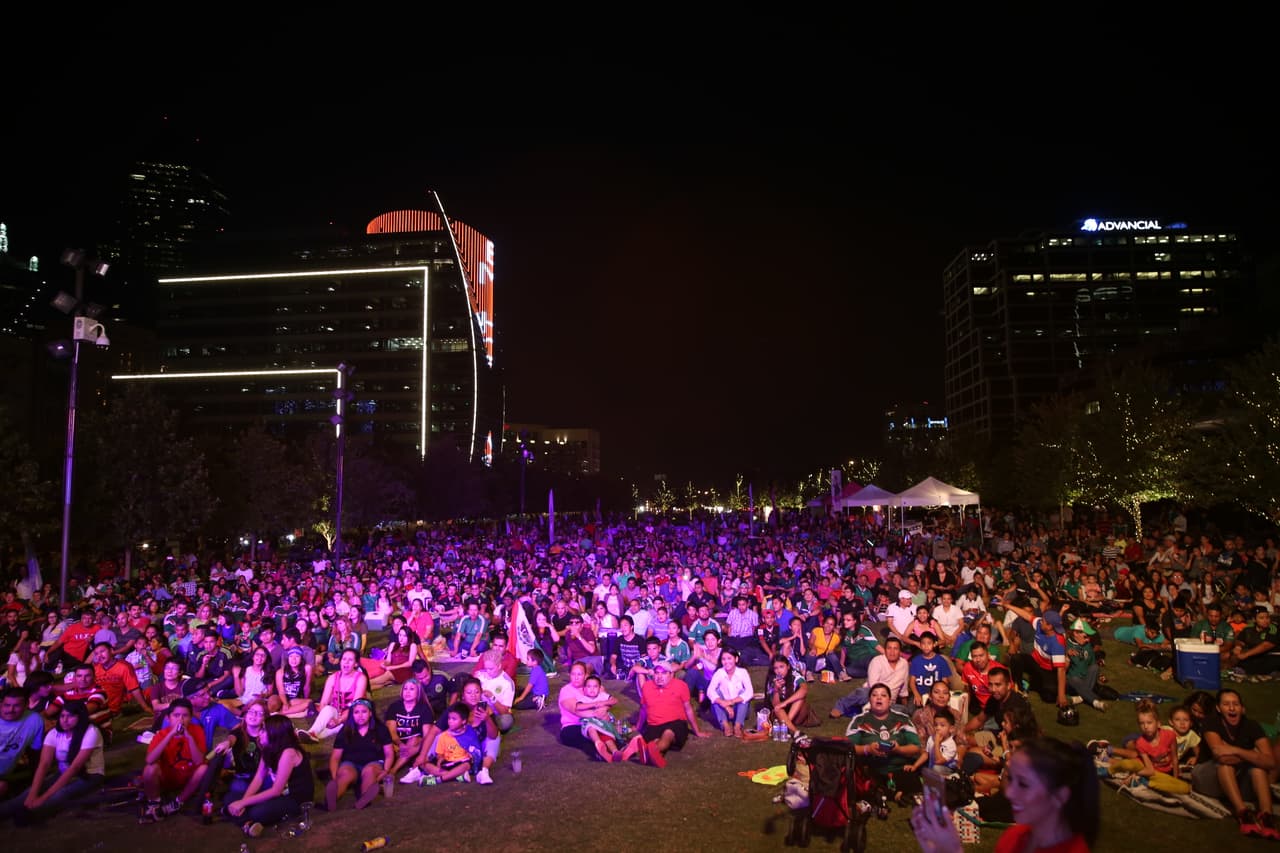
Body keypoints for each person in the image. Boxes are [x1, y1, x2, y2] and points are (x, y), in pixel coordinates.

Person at [911, 736, 1100, 853]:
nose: (1009, 793)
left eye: (1024, 784)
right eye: (1012, 780)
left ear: (1060, 796)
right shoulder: (1015, 837)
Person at [0, 700, 105, 826]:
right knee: (27, 794)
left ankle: (29, 814)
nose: (65, 720)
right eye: (62, 716)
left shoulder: (91, 732)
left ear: (80, 717)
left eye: (71, 716)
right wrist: (33, 794)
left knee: (60, 794)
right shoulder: (54, 733)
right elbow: (44, 764)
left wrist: (42, 798)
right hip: (63, 772)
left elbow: (75, 767)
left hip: (90, 775)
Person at [1191, 688, 1278, 838]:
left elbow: (1270, 762)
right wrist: (1254, 755)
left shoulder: (1252, 726)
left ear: (1242, 708)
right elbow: (1222, 757)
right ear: (1218, 708)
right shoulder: (1211, 723)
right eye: (1226, 704)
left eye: (1235, 704)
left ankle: (1266, 816)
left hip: (1236, 780)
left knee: (1258, 769)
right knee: (1227, 765)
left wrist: (1235, 751)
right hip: (1207, 777)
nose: (1232, 708)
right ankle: (1242, 813)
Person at [225, 713, 315, 838]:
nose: (260, 733)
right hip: (278, 792)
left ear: (275, 734)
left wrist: (243, 803)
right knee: (231, 796)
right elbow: (259, 778)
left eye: (264, 730)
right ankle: (248, 824)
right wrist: (243, 802)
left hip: (295, 799)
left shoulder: (288, 753)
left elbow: (276, 791)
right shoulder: (267, 748)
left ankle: (236, 815)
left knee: (257, 812)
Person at [846, 682, 923, 801]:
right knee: (862, 784)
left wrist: (899, 749)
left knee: (914, 783)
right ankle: (893, 794)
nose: (879, 698)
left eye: (883, 695)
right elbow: (848, 748)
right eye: (874, 695)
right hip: (871, 769)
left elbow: (916, 747)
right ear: (869, 700)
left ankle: (890, 793)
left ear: (890, 700)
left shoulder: (902, 718)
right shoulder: (859, 720)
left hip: (900, 768)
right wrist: (868, 749)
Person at [139, 698, 210, 821]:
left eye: (185, 716)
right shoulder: (161, 734)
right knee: (149, 769)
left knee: (204, 768)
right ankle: (154, 802)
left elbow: (199, 761)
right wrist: (170, 735)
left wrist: (189, 738)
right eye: (176, 715)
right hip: (167, 776)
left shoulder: (197, 731)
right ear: (168, 718)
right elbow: (150, 760)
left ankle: (178, 802)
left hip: (188, 775)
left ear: (191, 718)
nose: (181, 720)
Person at [636, 658, 709, 767]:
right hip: (654, 724)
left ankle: (649, 751)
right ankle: (655, 754)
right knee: (655, 738)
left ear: (671, 674)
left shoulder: (680, 686)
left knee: (668, 733)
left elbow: (688, 709)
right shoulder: (647, 687)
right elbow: (644, 709)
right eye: (657, 673)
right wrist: (638, 726)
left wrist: (697, 731)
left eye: (664, 673)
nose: (659, 677)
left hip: (676, 723)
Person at [324, 697, 393, 811]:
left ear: (370, 713)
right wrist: (335, 776)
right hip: (351, 764)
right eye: (356, 712)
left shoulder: (381, 729)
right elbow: (335, 757)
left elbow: (389, 753)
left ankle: (364, 797)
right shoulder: (346, 730)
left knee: (370, 771)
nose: (360, 715)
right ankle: (332, 798)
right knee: (346, 773)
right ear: (352, 715)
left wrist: (386, 770)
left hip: (373, 762)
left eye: (364, 712)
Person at [1108, 699, 1190, 794]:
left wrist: (1176, 779)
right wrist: (1136, 773)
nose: (1145, 727)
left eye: (1149, 723)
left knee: (1185, 788)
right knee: (1129, 763)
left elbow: (1175, 759)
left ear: (1158, 723)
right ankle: (1110, 769)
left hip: (1161, 772)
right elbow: (1150, 770)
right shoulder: (1140, 743)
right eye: (1142, 723)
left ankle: (1143, 782)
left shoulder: (1170, 735)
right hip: (1150, 771)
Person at [831, 636, 912, 718]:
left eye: (895, 649)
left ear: (900, 651)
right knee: (862, 693)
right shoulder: (877, 661)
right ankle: (840, 707)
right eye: (889, 648)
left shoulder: (904, 664)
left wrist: (904, 704)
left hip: (890, 700)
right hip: (872, 694)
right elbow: (873, 685)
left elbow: (903, 687)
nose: (892, 652)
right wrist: (881, 698)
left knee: (902, 711)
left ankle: (864, 711)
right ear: (885, 650)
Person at [299, 648, 368, 742]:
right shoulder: (333, 677)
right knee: (327, 709)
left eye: (350, 660)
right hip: (337, 712)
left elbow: (356, 705)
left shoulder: (361, 678)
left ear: (355, 664)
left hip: (354, 715)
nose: (346, 663)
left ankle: (312, 735)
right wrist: (326, 718)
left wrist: (338, 720)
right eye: (344, 659)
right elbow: (323, 703)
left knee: (347, 724)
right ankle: (312, 733)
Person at [389, 678, 439, 783]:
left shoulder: (424, 709)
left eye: (412, 689)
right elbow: (391, 732)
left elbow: (426, 735)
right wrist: (400, 744)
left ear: (418, 693)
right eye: (405, 689)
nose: (407, 692)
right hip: (397, 745)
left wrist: (415, 749)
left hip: (416, 746)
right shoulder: (394, 707)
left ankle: (392, 771)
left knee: (414, 739)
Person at [418, 702, 482, 784]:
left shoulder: (469, 732)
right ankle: (455, 777)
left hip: (461, 762)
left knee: (466, 765)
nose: (450, 721)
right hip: (447, 763)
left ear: (463, 721)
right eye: (449, 718)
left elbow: (475, 751)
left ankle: (437, 780)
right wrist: (440, 759)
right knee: (425, 765)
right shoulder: (444, 735)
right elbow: (439, 753)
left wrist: (471, 754)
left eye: (454, 719)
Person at [0, 686, 44, 802]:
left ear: (26, 705)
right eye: (7, 705)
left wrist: (35, 779)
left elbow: (34, 752)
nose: (11, 710)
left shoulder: (35, 720)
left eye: (17, 706)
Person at [706, 648, 754, 737]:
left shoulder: (743, 672)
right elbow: (709, 691)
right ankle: (725, 726)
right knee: (716, 693)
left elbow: (750, 692)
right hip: (723, 709)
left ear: (736, 659)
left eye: (729, 658)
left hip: (740, 709)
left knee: (744, 693)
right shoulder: (719, 672)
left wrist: (731, 702)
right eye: (723, 659)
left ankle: (737, 726)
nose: (726, 662)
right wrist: (724, 704)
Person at [1064, 618, 1107, 712]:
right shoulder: (1065, 645)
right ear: (1075, 633)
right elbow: (1061, 671)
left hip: (1085, 680)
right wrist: (1067, 657)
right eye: (1085, 636)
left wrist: (1099, 675)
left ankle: (1080, 698)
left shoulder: (1087, 645)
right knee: (1074, 679)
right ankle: (1095, 701)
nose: (1088, 640)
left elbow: (1092, 663)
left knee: (1095, 667)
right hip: (1071, 682)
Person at [367, 626, 420, 690]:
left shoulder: (412, 645)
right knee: (381, 680)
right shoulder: (393, 644)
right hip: (392, 670)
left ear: (409, 637)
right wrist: (385, 663)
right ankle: (367, 688)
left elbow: (410, 663)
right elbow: (388, 661)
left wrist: (393, 667)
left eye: (404, 636)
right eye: (400, 635)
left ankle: (364, 684)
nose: (401, 638)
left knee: (379, 678)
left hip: (405, 671)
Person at [275, 647, 312, 719]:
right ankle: (286, 710)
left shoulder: (307, 668)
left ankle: (282, 713)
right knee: (273, 703)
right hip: (282, 699)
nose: (293, 659)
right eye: (291, 656)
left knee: (309, 703)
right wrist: (285, 703)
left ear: (301, 659)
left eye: (297, 656)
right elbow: (281, 691)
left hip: (294, 700)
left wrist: (304, 700)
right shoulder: (280, 672)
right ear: (288, 658)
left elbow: (306, 687)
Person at [803, 614, 841, 683]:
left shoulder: (836, 637)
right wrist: (813, 648)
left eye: (831, 624)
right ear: (823, 624)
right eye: (827, 623)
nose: (828, 626)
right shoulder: (816, 631)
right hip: (815, 659)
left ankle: (841, 673)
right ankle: (809, 673)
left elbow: (836, 649)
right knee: (811, 655)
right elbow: (810, 643)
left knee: (831, 654)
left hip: (826, 661)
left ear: (834, 627)